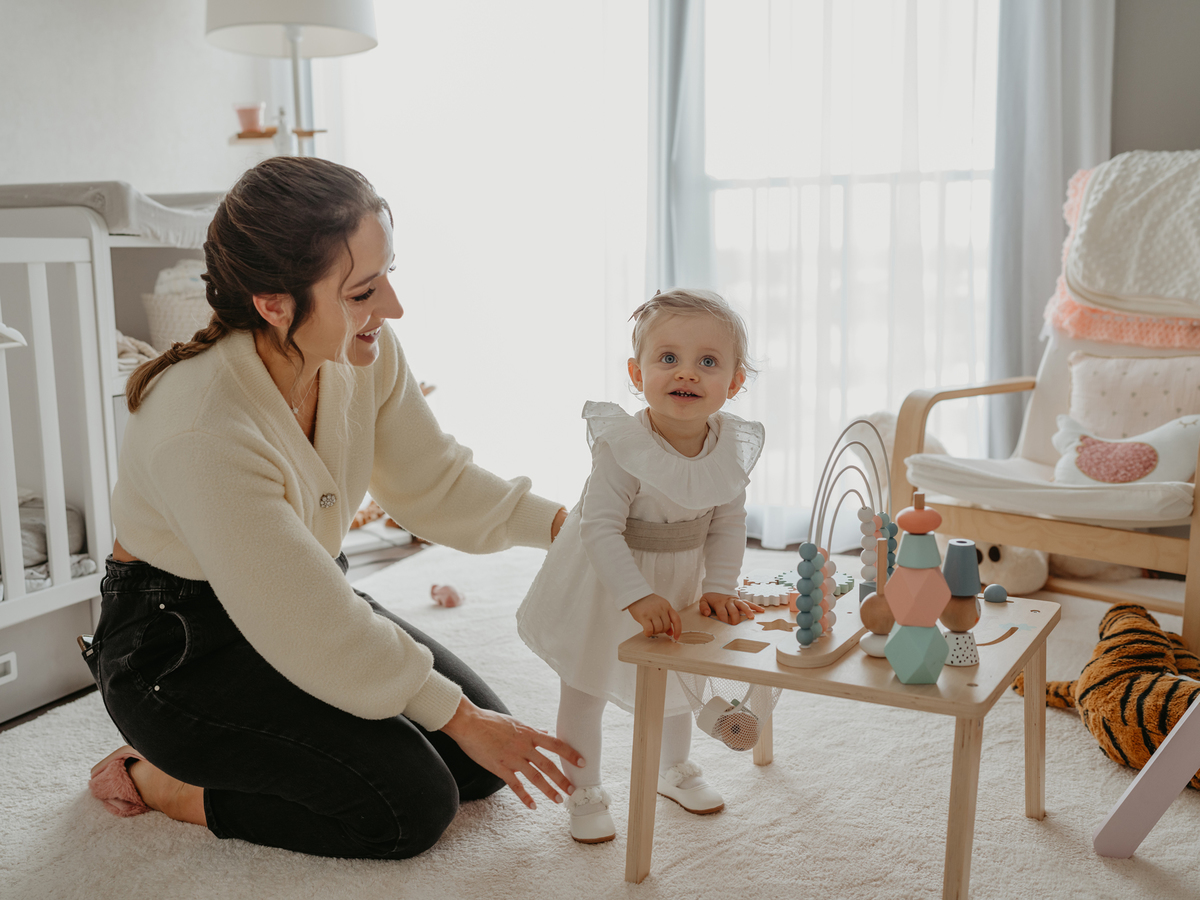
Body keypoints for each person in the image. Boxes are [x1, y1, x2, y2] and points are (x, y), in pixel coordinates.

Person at [85, 156, 582, 861]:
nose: (395, 307)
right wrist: (459, 715)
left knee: (475, 764)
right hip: (177, 650)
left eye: (389, 277)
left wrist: (566, 529)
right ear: (274, 302)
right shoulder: (202, 425)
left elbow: (433, 481)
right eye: (364, 291)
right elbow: (310, 624)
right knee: (409, 807)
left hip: (296, 601)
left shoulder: (362, 356)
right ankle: (164, 778)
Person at [516, 289, 765, 844]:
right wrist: (634, 595)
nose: (688, 374)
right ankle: (584, 789)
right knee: (587, 683)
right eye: (668, 358)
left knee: (680, 676)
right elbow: (598, 527)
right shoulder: (624, 446)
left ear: (735, 381)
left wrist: (719, 586)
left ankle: (673, 770)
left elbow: (727, 523)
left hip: (680, 578)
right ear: (637, 372)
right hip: (608, 580)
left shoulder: (727, 447)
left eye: (708, 362)